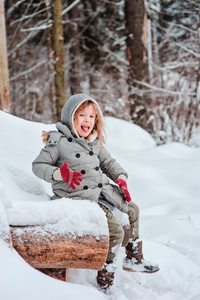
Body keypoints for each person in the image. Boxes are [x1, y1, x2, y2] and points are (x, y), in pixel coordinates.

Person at [32, 93, 159, 289]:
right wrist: (59, 174)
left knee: (133, 209)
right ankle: (105, 281)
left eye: (92, 116)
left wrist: (121, 179)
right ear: (71, 117)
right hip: (78, 197)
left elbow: (109, 163)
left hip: (100, 191)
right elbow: (38, 165)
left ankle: (134, 258)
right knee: (115, 231)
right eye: (82, 115)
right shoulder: (58, 141)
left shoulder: (94, 141)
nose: (88, 121)